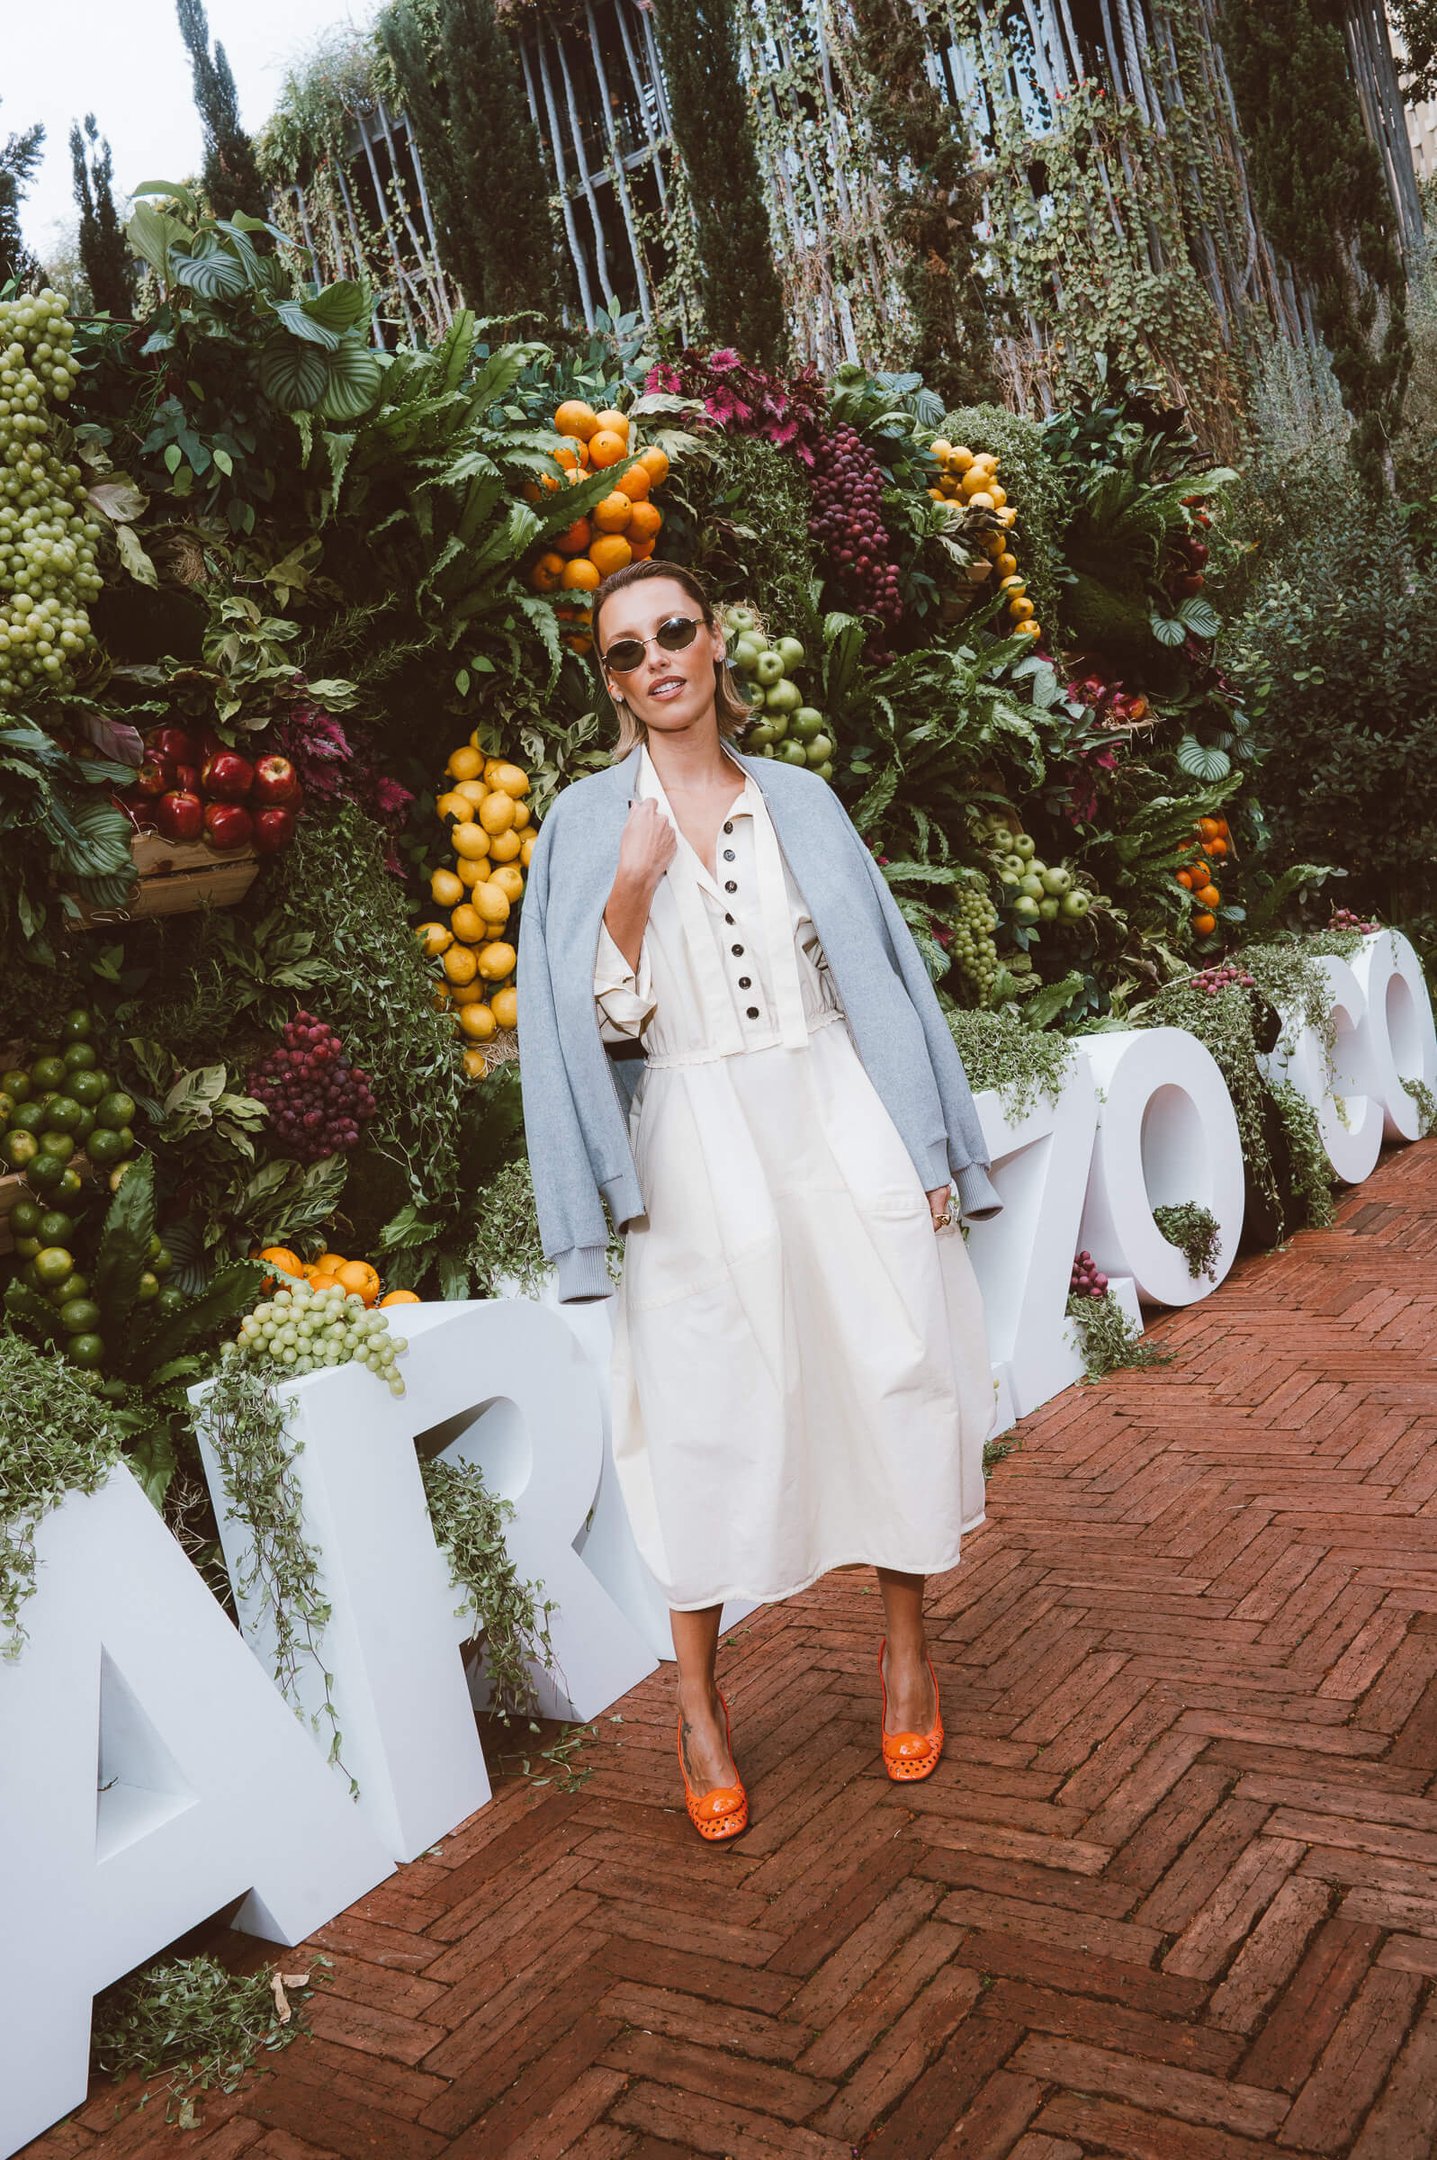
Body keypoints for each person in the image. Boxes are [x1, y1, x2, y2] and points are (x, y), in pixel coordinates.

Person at [516, 560, 1000, 1843]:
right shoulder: (580, 825)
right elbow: (581, 1029)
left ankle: (903, 1656)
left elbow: (887, 975)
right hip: (690, 1136)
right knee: (703, 1416)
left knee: (890, 1367)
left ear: (717, 645)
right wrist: (626, 887)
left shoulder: (800, 802)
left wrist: (930, 1144)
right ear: (610, 682)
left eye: (674, 632)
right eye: (627, 651)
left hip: (836, 1111)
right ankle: (698, 1706)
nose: (657, 661)